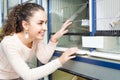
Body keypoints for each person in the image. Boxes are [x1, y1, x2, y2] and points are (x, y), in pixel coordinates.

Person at [0, 3, 78, 80]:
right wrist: (60, 60)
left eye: (45, 23)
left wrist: (54, 39)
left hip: (17, 77)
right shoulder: (9, 43)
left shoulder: (36, 38)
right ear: (26, 25)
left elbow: (43, 58)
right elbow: (28, 75)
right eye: (40, 23)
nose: (45, 28)